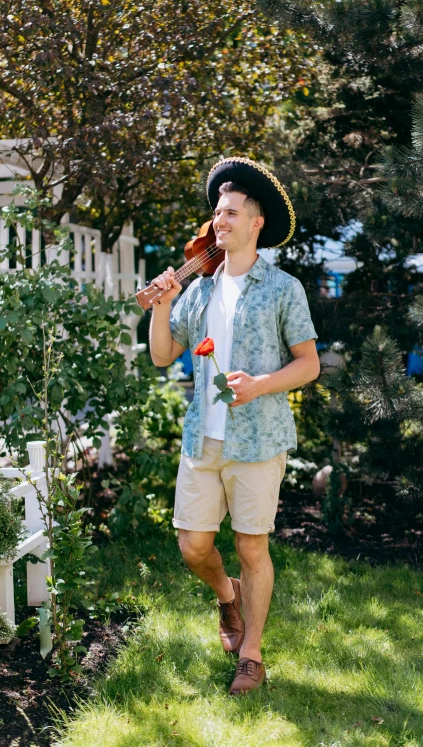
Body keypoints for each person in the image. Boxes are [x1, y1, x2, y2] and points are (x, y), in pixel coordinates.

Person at [149, 157, 320, 695]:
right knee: (193, 546)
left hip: (258, 438)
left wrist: (261, 384)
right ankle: (229, 598)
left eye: (230, 213)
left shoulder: (283, 288)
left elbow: (309, 364)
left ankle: (251, 653)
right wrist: (162, 304)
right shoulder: (197, 288)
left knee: (253, 546)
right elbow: (161, 354)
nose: (218, 222)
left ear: (256, 223)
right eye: (216, 213)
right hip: (204, 436)